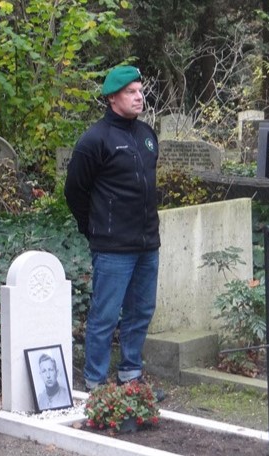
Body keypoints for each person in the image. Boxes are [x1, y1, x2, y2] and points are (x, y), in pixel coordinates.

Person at [64, 65, 164, 397]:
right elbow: (75, 191)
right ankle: (96, 382)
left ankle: (131, 375)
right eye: (130, 92)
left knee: (141, 310)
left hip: (147, 242)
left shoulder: (147, 134)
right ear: (112, 98)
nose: (139, 97)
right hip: (113, 246)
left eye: (140, 91)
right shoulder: (95, 140)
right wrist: (93, 228)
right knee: (105, 315)